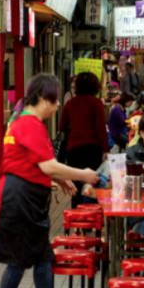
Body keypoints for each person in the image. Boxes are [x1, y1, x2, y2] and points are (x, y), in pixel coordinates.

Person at [0, 74, 99, 288]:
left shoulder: (22, 120)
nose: (58, 106)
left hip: (27, 194)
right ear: (43, 98)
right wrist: (82, 174)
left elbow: (36, 163)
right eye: (55, 100)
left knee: (42, 257)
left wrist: (59, 179)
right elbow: (47, 165)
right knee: (18, 258)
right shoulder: (29, 123)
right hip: (20, 197)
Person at [59, 72, 108, 206]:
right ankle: (92, 220)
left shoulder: (70, 103)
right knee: (92, 183)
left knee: (76, 183)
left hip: (74, 148)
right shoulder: (96, 103)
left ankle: (76, 215)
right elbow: (101, 129)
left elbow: (61, 126)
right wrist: (105, 150)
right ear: (95, 86)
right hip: (93, 149)